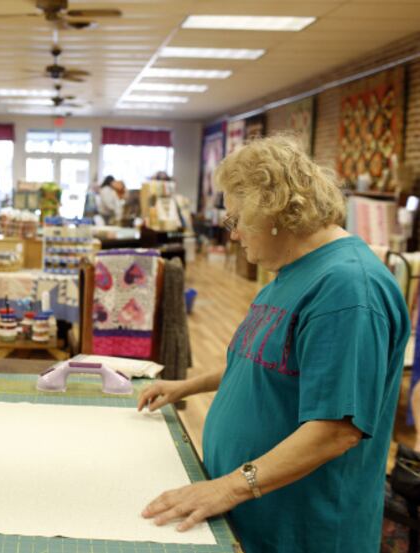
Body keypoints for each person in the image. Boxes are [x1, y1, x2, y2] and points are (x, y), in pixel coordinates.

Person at [137, 135, 410, 552]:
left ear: (273, 208)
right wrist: (184, 387)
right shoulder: (293, 271)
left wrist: (226, 488)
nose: (233, 234)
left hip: (305, 531)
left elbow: (337, 430)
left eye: (236, 219)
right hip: (259, 518)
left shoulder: (348, 290)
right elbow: (259, 361)